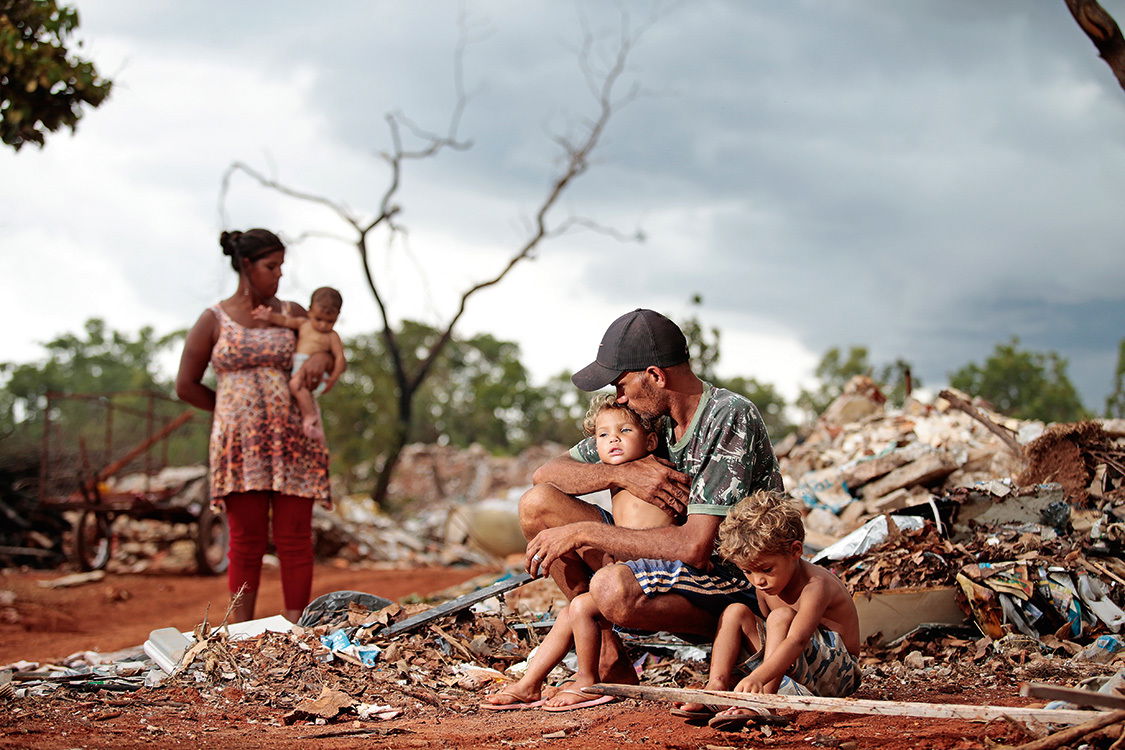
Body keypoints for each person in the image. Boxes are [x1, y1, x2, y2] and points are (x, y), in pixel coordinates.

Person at [520, 308, 784, 689]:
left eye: (622, 385)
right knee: (537, 503)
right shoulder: (648, 417)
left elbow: (696, 547)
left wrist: (583, 533)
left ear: (656, 376)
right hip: (662, 566)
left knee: (611, 587)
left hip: (730, 580)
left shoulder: (728, 417)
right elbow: (546, 474)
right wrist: (618, 472)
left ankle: (732, 647)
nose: (619, 397)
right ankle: (609, 656)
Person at [176, 228, 331, 624]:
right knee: (245, 541)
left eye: (282, 266)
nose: (279, 274)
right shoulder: (213, 320)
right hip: (239, 446)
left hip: (294, 440)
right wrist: (228, 412)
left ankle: (297, 629)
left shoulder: (294, 313)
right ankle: (241, 633)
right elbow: (186, 384)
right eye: (270, 266)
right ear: (246, 266)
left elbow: (326, 344)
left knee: (294, 538)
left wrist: (319, 361)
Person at [483, 396, 673, 711]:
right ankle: (530, 683)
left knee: (579, 608)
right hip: (623, 558)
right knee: (572, 611)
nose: (613, 439)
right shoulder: (618, 461)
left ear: (651, 439)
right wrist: (616, 476)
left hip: (651, 569)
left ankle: (588, 678)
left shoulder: (657, 468)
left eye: (624, 431)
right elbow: (545, 473)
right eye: (603, 435)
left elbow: (655, 539)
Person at [676, 490, 861, 730]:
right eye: (748, 572)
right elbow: (773, 640)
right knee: (735, 612)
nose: (758, 580)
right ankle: (716, 689)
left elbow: (796, 639)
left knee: (780, 616)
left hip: (839, 675)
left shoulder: (817, 585)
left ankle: (765, 702)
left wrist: (758, 678)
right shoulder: (764, 585)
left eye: (766, 569)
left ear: (795, 551)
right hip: (797, 669)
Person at [252, 286, 346, 442]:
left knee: (295, 385)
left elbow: (340, 358)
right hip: (299, 365)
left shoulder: (332, 336)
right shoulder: (304, 324)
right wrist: (268, 316)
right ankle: (308, 416)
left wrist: (333, 378)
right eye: (318, 319)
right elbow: (285, 320)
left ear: (337, 316)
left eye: (330, 321)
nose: (323, 325)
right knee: (297, 387)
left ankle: (310, 416)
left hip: (313, 373)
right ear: (310, 311)